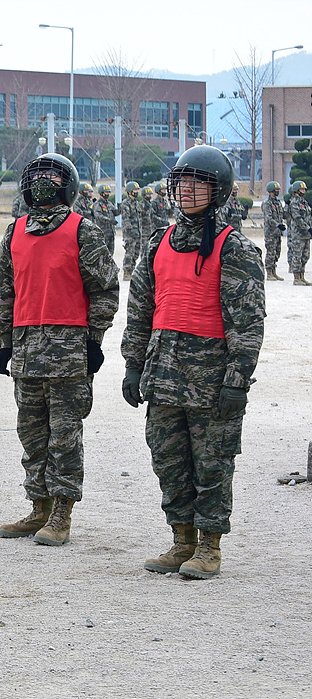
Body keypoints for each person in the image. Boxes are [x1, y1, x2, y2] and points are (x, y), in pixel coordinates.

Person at [121, 145, 265, 579]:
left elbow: (248, 321)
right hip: (163, 375)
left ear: (217, 190)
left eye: (198, 181)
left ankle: (208, 547)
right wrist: (132, 364)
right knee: (168, 459)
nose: (186, 188)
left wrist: (237, 381)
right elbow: (141, 308)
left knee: (212, 463)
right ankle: (181, 538)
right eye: (181, 180)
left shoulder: (233, 247)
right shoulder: (158, 243)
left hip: (211, 380)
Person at [0, 154, 119, 545]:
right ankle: (39, 507)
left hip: (69, 353)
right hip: (27, 352)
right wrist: (5, 342)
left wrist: (94, 339)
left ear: (67, 186)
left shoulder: (85, 232)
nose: (43, 184)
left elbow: (105, 287)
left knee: (64, 435)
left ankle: (62, 512)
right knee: (31, 433)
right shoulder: (13, 233)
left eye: (52, 177)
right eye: (37, 177)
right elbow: (3, 289)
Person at [286, 181, 311, 286]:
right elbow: (297, 218)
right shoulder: (294, 203)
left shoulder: (304, 202)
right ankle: (296, 278)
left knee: (305, 256)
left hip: (306, 235)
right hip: (298, 234)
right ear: (296, 190)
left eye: (304, 189)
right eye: (302, 189)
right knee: (297, 255)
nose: (304, 191)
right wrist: (308, 228)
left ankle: (302, 276)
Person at [262, 181, 286, 281]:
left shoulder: (278, 203)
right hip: (270, 232)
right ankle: (269, 273)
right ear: (271, 190)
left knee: (277, 252)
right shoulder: (267, 203)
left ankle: (274, 272)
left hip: (277, 232)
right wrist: (277, 225)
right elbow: (268, 218)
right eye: (276, 190)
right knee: (270, 252)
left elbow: (283, 215)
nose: (278, 191)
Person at [121, 181, 142, 281]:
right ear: (129, 191)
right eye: (135, 190)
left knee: (136, 253)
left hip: (138, 232)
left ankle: (132, 270)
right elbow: (126, 219)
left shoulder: (136, 203)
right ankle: (126, 272)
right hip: (130, 233)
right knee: (130, 252)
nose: (137, 191)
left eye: (137, 190)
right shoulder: (126, 203)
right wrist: (131, 230)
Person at [92, 183, 119, 259]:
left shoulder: (109, 204)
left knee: (110, 254)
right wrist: (109, 220)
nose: (108, 194)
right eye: (106, 192)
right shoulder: (97, 204)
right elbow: (98, 216)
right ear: (101, 193)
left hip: (111, 232)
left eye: (108, 192)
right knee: (102, 254)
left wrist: (120, 209)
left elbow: (115, 212)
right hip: (103, 233)